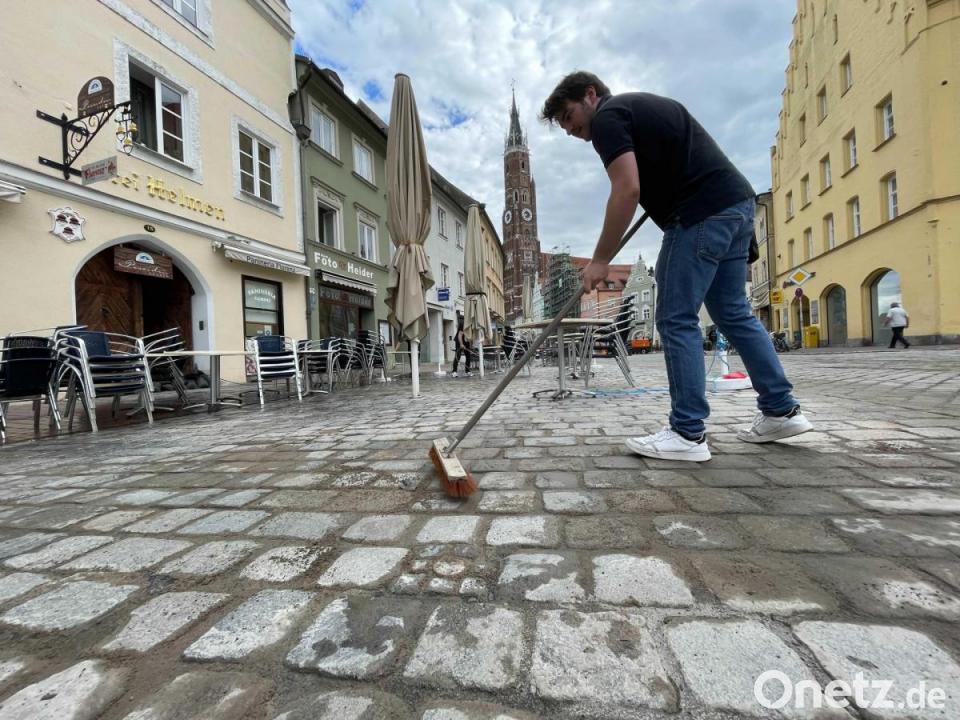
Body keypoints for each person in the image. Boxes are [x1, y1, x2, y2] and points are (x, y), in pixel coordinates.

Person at [540, 72, 812, 462]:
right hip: (736, 206)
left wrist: (600, 259)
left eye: (568, 116)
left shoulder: (608, 118)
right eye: (563, 125)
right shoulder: (639, 108)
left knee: (674, 318)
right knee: (734, 314)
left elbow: (626, 189)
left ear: (590, 94)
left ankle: (687, 432)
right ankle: (781, 410)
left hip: (700, 213)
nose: (569, 129)